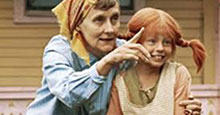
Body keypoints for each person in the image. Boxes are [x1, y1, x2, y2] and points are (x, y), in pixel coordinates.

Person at [26, 0, 202, 114]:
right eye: (99, 20)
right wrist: (106, 62)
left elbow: (153, 84)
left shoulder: (125, 51)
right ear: (77, 24)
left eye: (115, 19)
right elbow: (68, 92)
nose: (110, 29)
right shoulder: (61, 49)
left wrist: (187, 107)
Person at [107, 8, 206, 115]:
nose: (160, 48)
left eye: (166, 42)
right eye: (152, 41)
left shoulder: (176, 74)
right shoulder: (120, 77)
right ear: (136, 41)